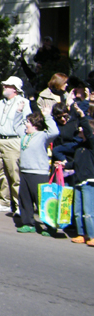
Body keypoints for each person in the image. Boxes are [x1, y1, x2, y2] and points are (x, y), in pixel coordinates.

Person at [13, 102, 59, 235]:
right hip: (25, 171)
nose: (25, 124)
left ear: (34, 124)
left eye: (27, 122)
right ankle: (28, 223)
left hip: (39, 172)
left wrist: (47, 116)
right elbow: (16, 126)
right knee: (25, 199)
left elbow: (55, 131)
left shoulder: (43, 135)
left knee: (42, 200)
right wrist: (18, 112)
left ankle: (50, 226)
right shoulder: (25, 135)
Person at [0, 76, 29, 213]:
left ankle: (19, 205)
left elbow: (27, 122)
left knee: (14, 174)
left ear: (15, 89)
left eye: (8, 85)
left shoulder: (23, 102)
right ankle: (5, 201)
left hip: (13, 140)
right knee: (1, 173)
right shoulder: (0, 103)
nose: (4, 87)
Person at [67, 103, 94, 246]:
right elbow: (74, 163)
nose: (80, 129)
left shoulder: (91, 146)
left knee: (88, 211)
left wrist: (83, 116)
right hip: (78, 180)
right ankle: (81, 233)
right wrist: (63, 165)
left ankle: (92, 235)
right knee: (77, 211)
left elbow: (89, 133)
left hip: (89, 181)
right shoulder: (80, 147)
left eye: (82, 128)